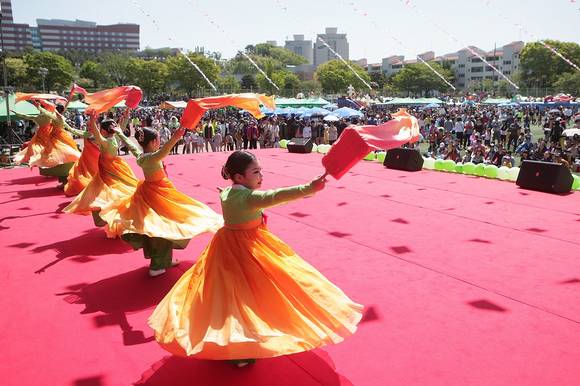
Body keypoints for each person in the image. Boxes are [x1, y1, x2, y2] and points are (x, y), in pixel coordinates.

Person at [149, 151, 362, 366]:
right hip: (248, 248)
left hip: (226, 245)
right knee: (258, 293)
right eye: (256, 171)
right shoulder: (249, 197)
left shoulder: (228, 193)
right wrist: (309, 188)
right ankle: (242, 348)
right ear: (239, 177)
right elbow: (278, 196)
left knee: (229, 297)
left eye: (260, 170)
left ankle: (234, 345)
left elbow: (231, 195)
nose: (261, 175)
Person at [100, 126, 223, 277]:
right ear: (153, 142)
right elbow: (166, 149)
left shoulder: (141, 156)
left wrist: (119, 132)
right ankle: (157, 265)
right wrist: (177, 136)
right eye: (158, 139)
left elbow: (131, 145)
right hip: (158, 194)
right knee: (163, 226)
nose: (159, 142)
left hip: (151, 192)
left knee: (162, 226)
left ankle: (164, 260)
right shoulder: (152, 157)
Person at [64, 113, 139, 227]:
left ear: (103, 131)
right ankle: (120, 212)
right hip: (117, 166)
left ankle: (111, 214)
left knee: (106, 192)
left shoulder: (105, 142)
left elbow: (97, 134)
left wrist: (92, 121)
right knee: (119, 188)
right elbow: (122, 127)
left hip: (107, 169)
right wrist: (127, 115)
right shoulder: (116, 138)